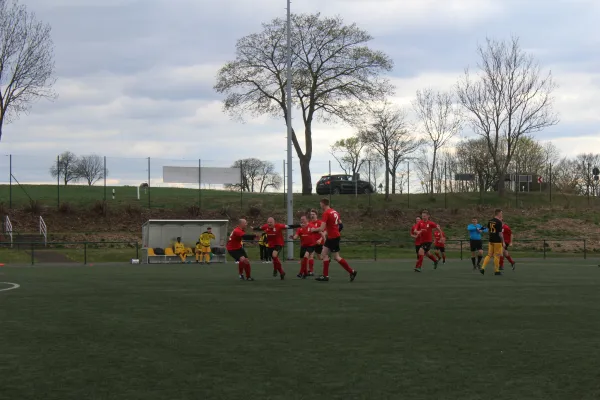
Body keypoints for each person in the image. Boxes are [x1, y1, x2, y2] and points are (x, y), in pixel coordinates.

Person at [310, 198, 357, 282]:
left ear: (323, 204)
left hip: (333, 238)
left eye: (320, 204)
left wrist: (313, 230)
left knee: (336, 257)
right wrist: (334, 231)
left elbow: (322, 228)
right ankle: (325, 276)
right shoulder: (335, 212)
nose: (320, 205)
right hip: (332, 237)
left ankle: (352, 271)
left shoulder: (326, 213)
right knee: (324, 254)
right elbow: (341, 225)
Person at [480, 209, 504, 276]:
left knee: (489, 255)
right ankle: (496, 271)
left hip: (491, 240)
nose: (502, 214)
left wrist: (481, 229)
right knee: (497, 256)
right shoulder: (499, 222)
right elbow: (500, 234)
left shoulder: (490, 221)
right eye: (501, 213)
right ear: (498, 213)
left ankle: (483, 268)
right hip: (497, 241)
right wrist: (503, 242)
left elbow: (488, 229)